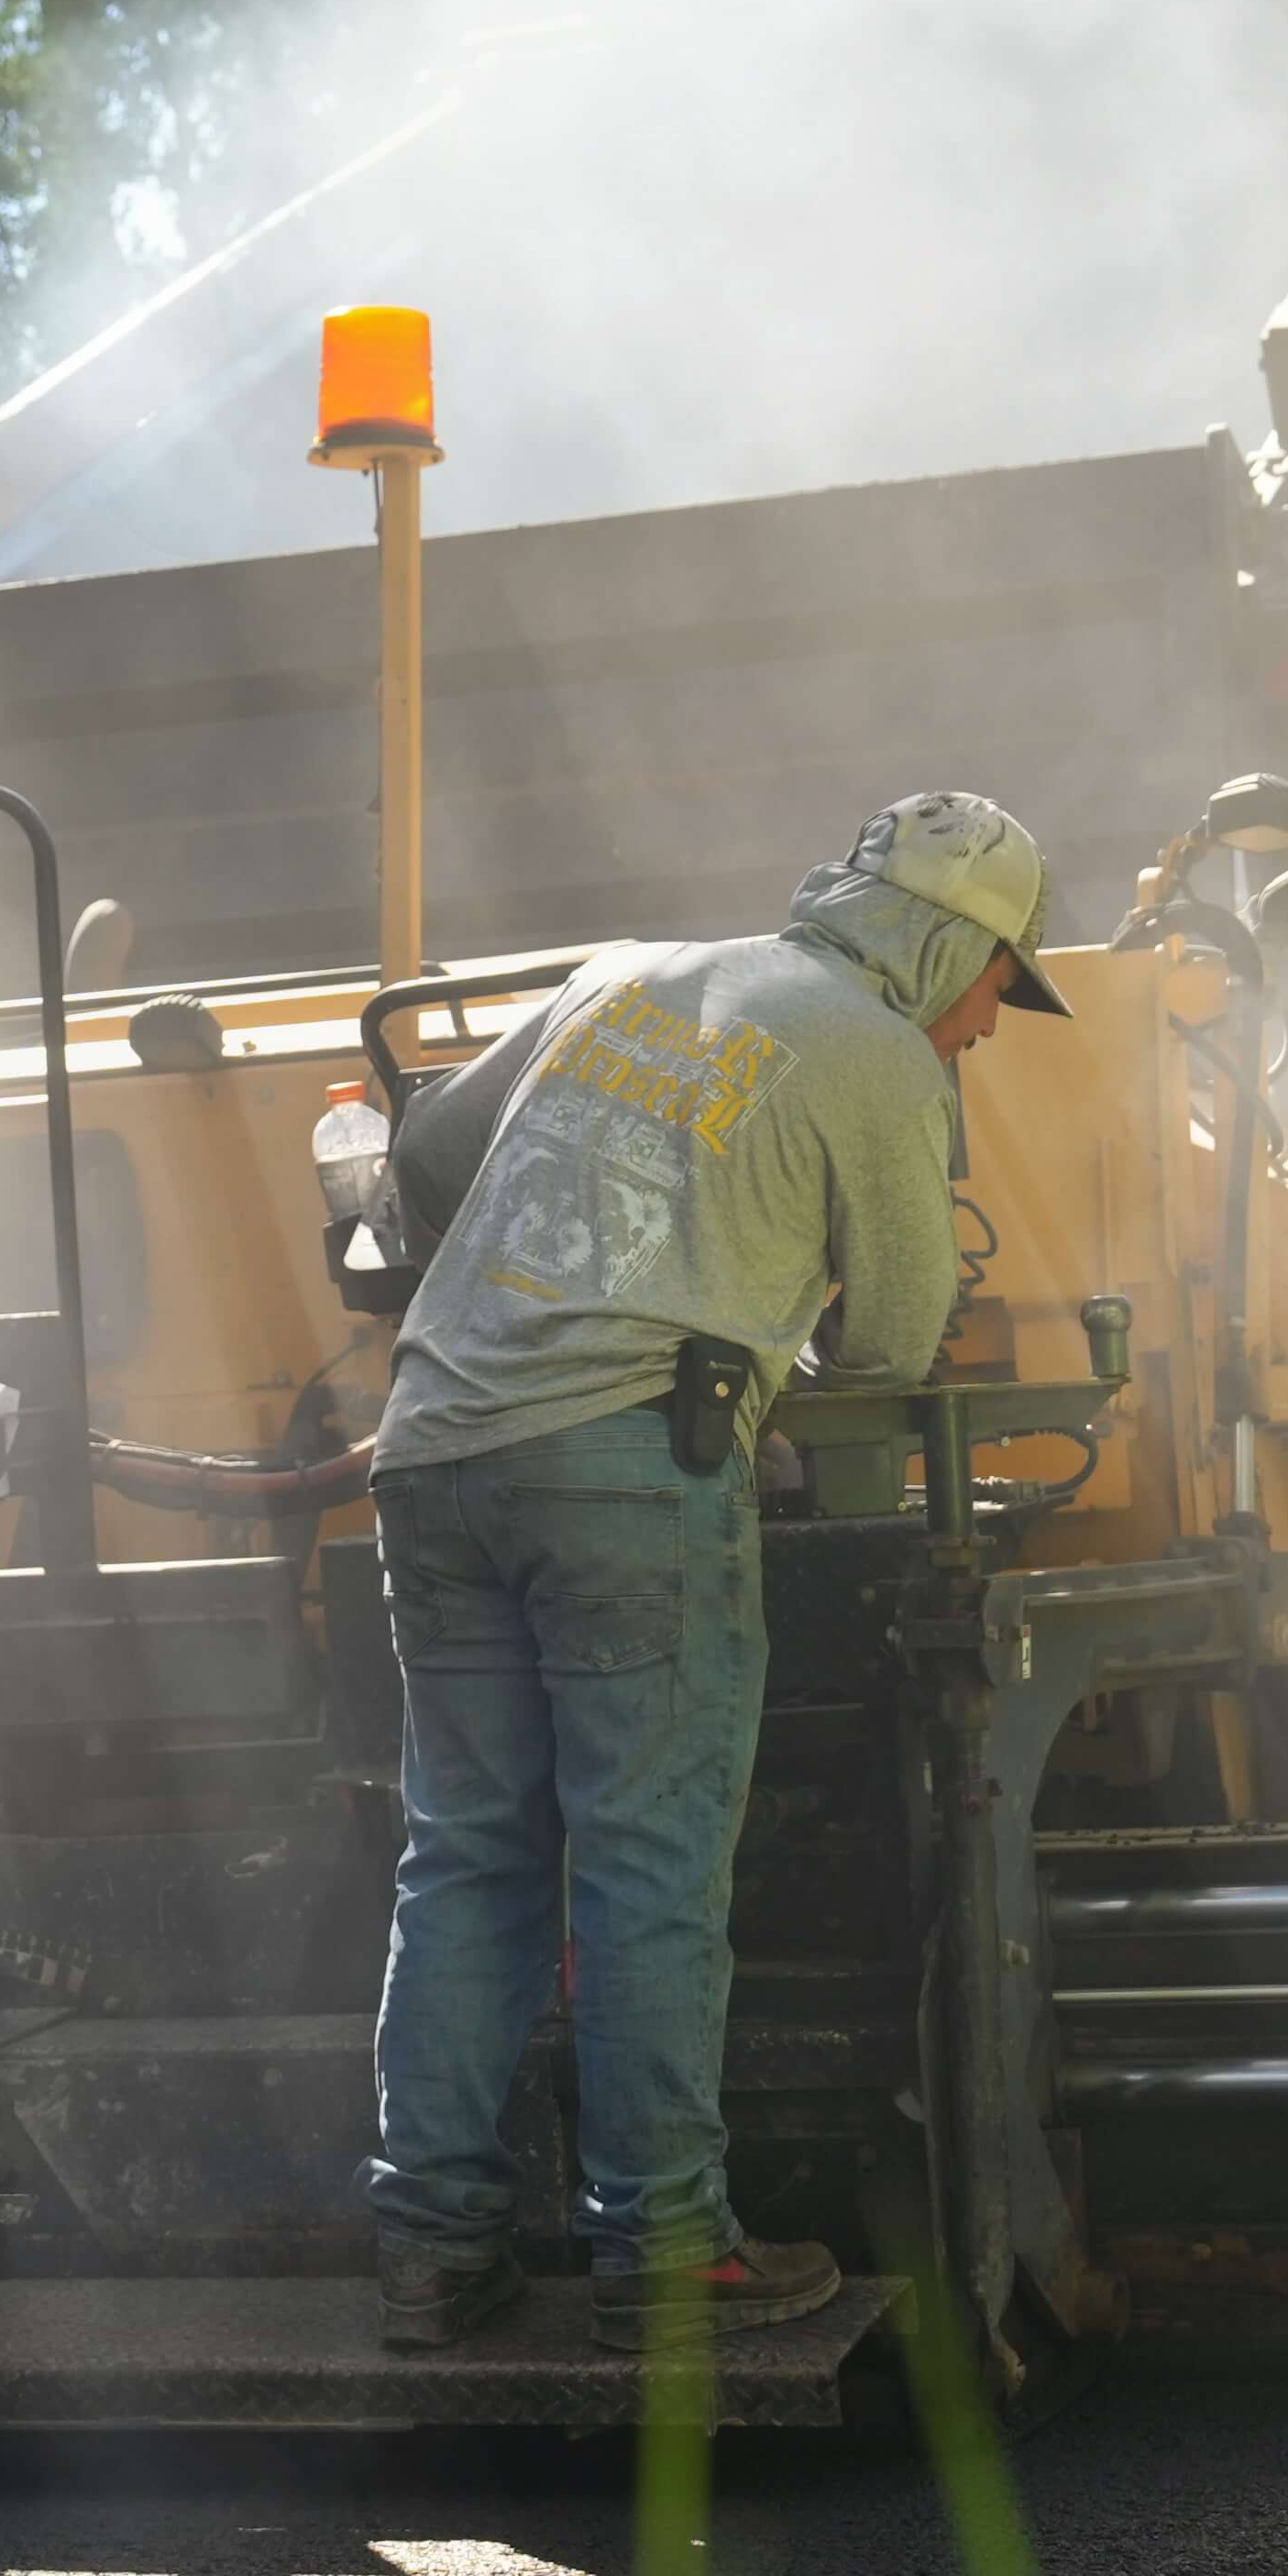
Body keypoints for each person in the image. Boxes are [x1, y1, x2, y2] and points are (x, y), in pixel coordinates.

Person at [356, 789, 1052, 2354]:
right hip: (619, 1471)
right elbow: (887, 1339)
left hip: (430, 1448)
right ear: (945, 944)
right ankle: (666, 2248)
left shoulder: (621, 974)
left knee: (465, 1854)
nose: (991, 1024)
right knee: (643, 1860)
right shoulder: (877, 1058)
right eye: (999, 982)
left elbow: (433, 1144)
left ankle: (429, 2245)